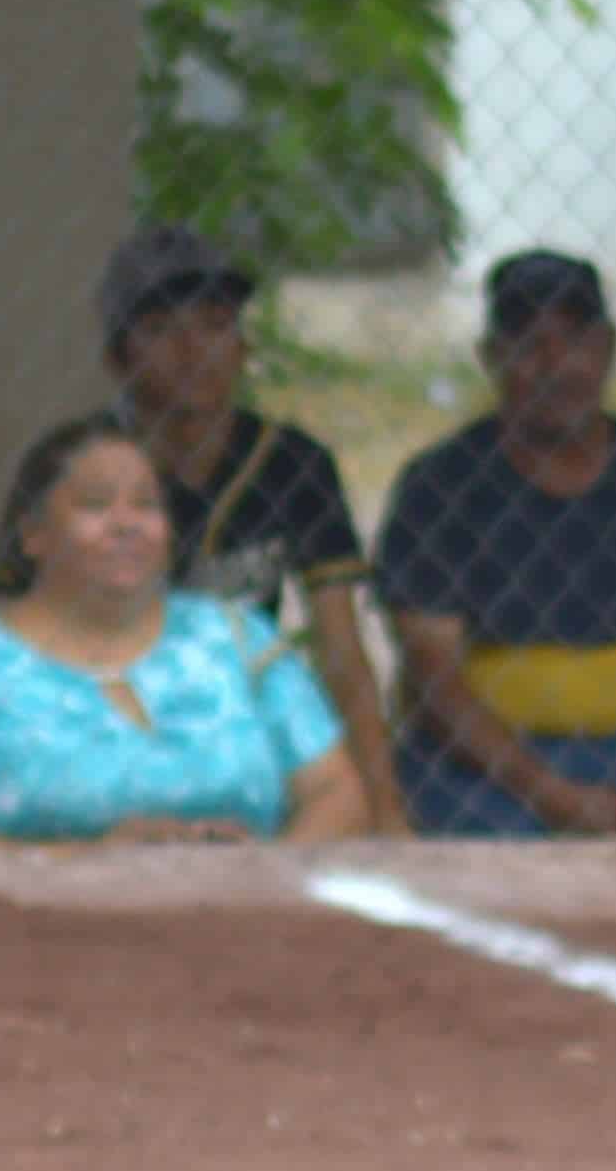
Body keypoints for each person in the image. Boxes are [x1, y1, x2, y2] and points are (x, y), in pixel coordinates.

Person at [370, 251, 616, 837]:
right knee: (509, 881)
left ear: (610, 349)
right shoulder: (439, 487)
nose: (558, 365)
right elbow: (436, 685)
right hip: (482, 768)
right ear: (491, 358)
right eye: (530, 345)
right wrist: (555, 796)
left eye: (578, 342)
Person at [0, 415, 368, 846]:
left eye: (147, 504)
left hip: (242, 931)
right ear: (32, 534)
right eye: (95, 504)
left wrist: (265, 876)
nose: (126, 523)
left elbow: (336, 792)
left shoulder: (240, 639)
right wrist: (89, 866)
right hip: (37, 939)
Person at [94, 224, 411, 835]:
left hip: (246, 729)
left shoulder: (293, 464)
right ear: (118, 358)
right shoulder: (80, 466)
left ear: (242, 347)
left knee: (329, 804)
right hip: (115, 727)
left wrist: (385, 809)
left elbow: (341, 651)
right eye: (162, 331)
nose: (193, 352)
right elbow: (38, 651)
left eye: (215, 325)